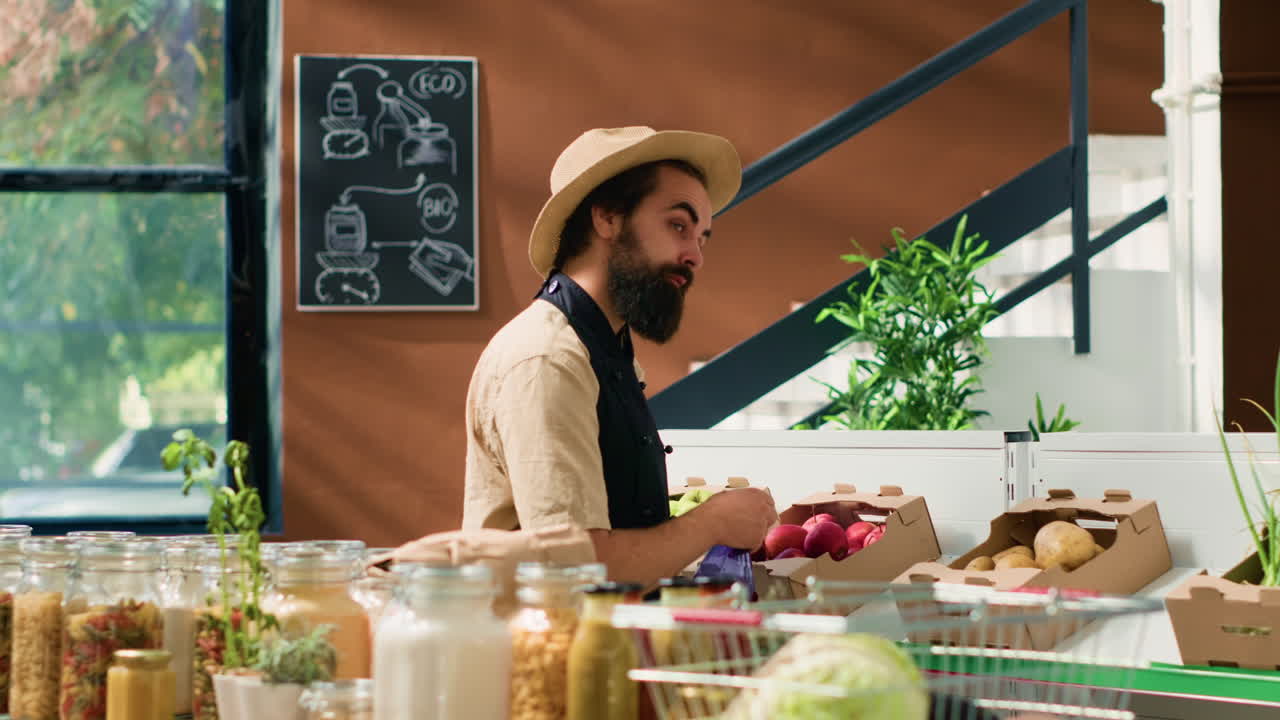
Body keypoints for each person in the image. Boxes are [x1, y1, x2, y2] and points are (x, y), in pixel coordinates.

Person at [461, 126, 777, 585]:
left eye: (702, 237)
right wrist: (710, 522)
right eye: (678, 225)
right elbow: (574, 571)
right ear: (607, 219)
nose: (695, 255)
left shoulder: (603, 348)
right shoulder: (548, 359)